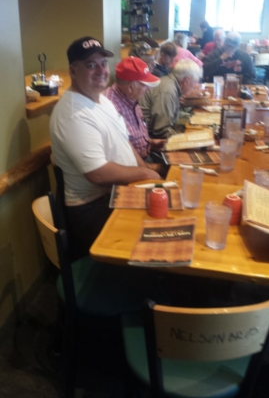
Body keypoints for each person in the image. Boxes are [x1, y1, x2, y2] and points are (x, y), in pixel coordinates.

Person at [50, 36, 161, 260]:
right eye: (91, 65)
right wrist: (146, 173)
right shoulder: (73, 113)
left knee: (170, 210)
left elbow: (125, 142)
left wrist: (146, 174)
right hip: (93, 209)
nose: (100, 70)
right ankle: (148, 287)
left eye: (103, 63)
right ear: (73, 71)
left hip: (118, 193)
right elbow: (97, 173)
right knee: (159, 234)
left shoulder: (101, 99)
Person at [103, 56, 166, 165]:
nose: (149, 89)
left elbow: (132, 138)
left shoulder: (131, 97)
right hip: (132, 166)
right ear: (131, 87)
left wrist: (150, 143)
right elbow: (119, 155)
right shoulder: (109, 107)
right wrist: (152, 169)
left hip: (147, 156)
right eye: (145, 85)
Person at [140, 59, 201, 139]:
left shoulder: (170, 83)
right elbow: (160, 131)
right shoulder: (168, 91)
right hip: (149, 139)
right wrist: (187, 139)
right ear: (186, 80)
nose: (195, 86)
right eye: (194, 83)